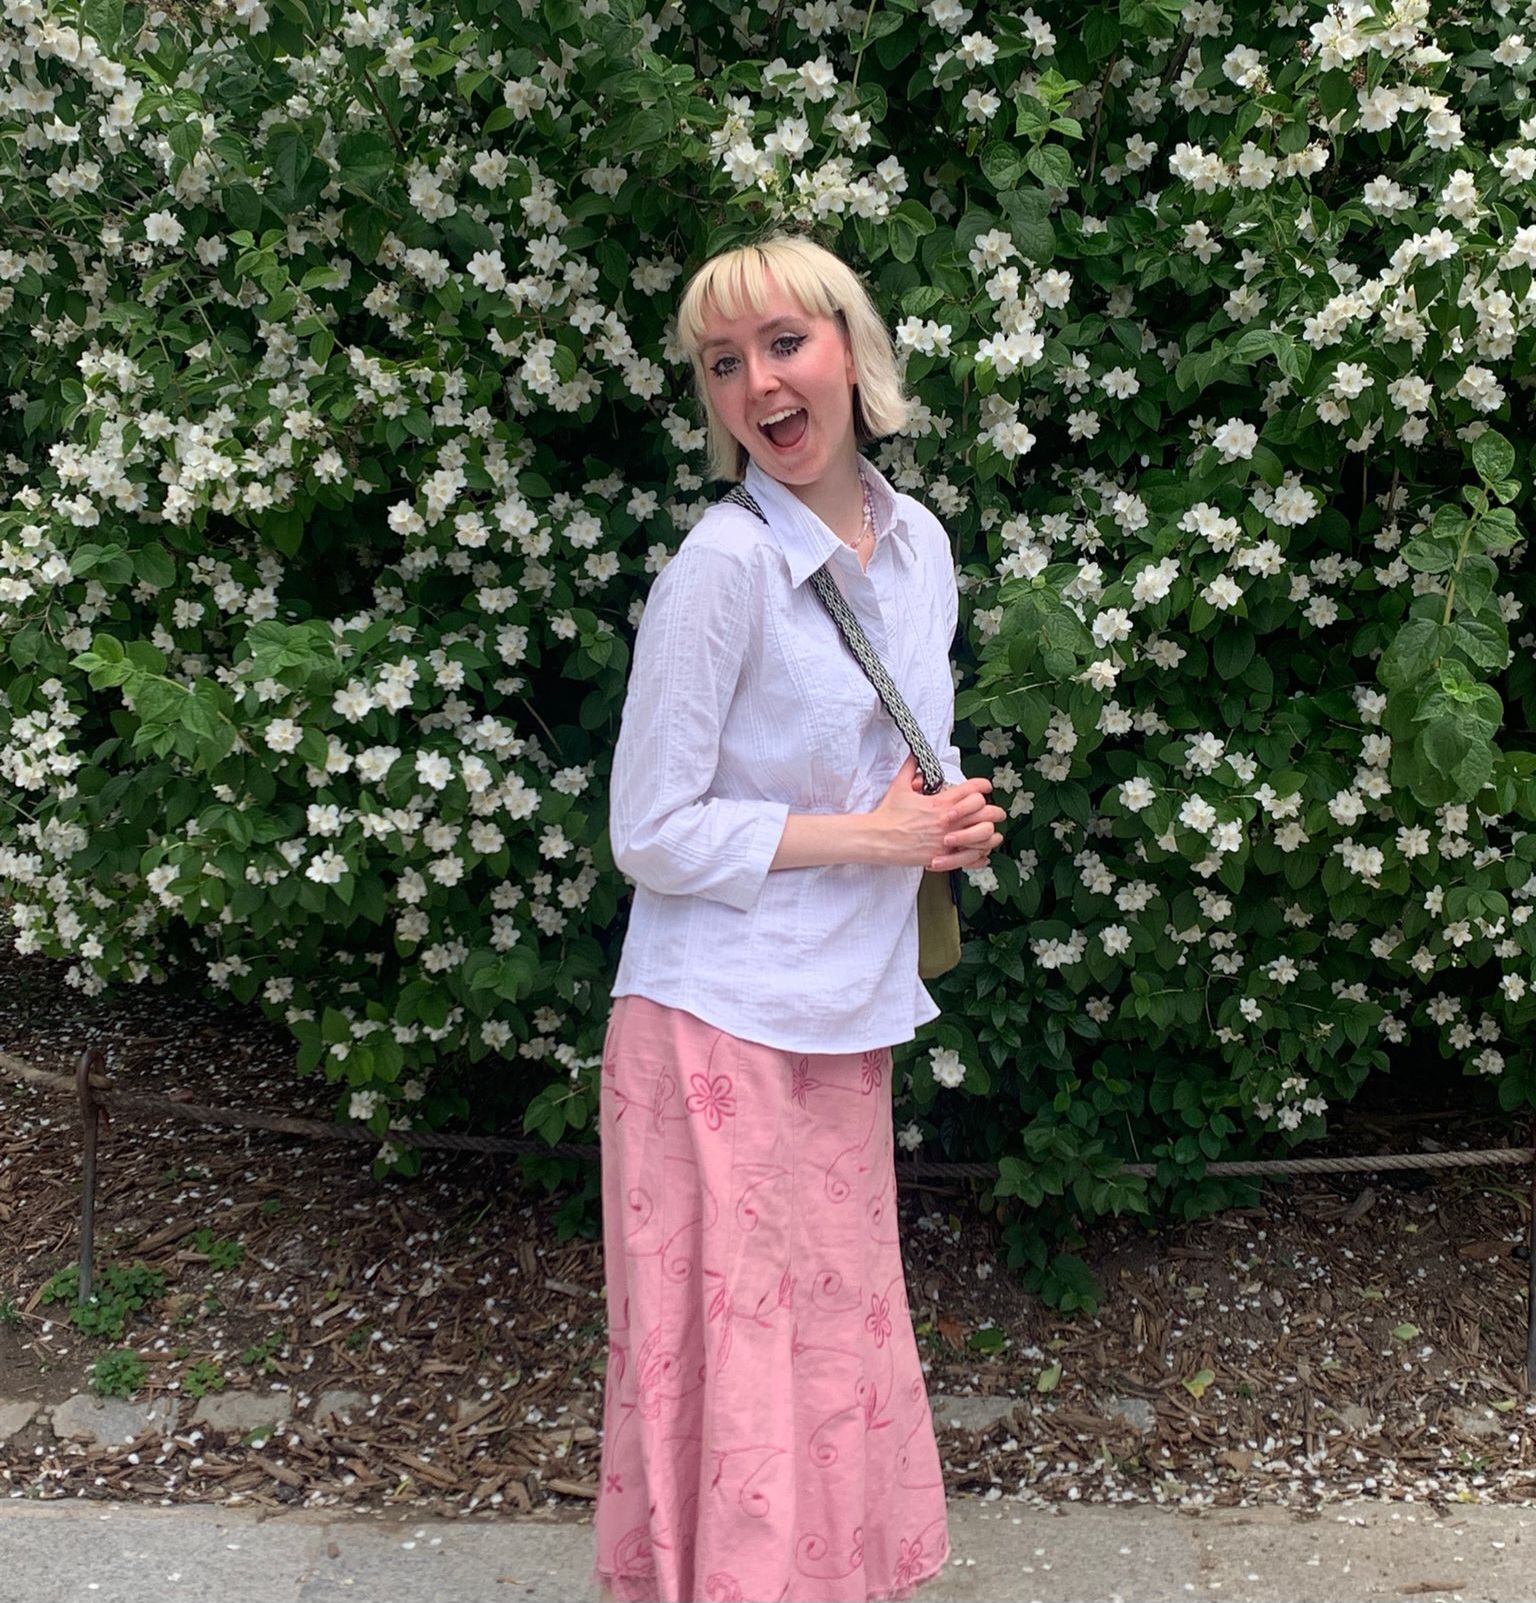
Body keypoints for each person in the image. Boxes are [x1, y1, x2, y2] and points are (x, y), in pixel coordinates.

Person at [594, 233, 1005, 1603]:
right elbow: (647, 830)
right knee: (740, 1363)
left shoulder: (921, 544)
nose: (759, 383)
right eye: (725, 363)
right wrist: (875, 836)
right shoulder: (721, 570)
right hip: (711, 1020)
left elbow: (899, 769)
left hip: (846, 1006)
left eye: (783, 345)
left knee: (833, 1342)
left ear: (850, 351)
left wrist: (939, 825)